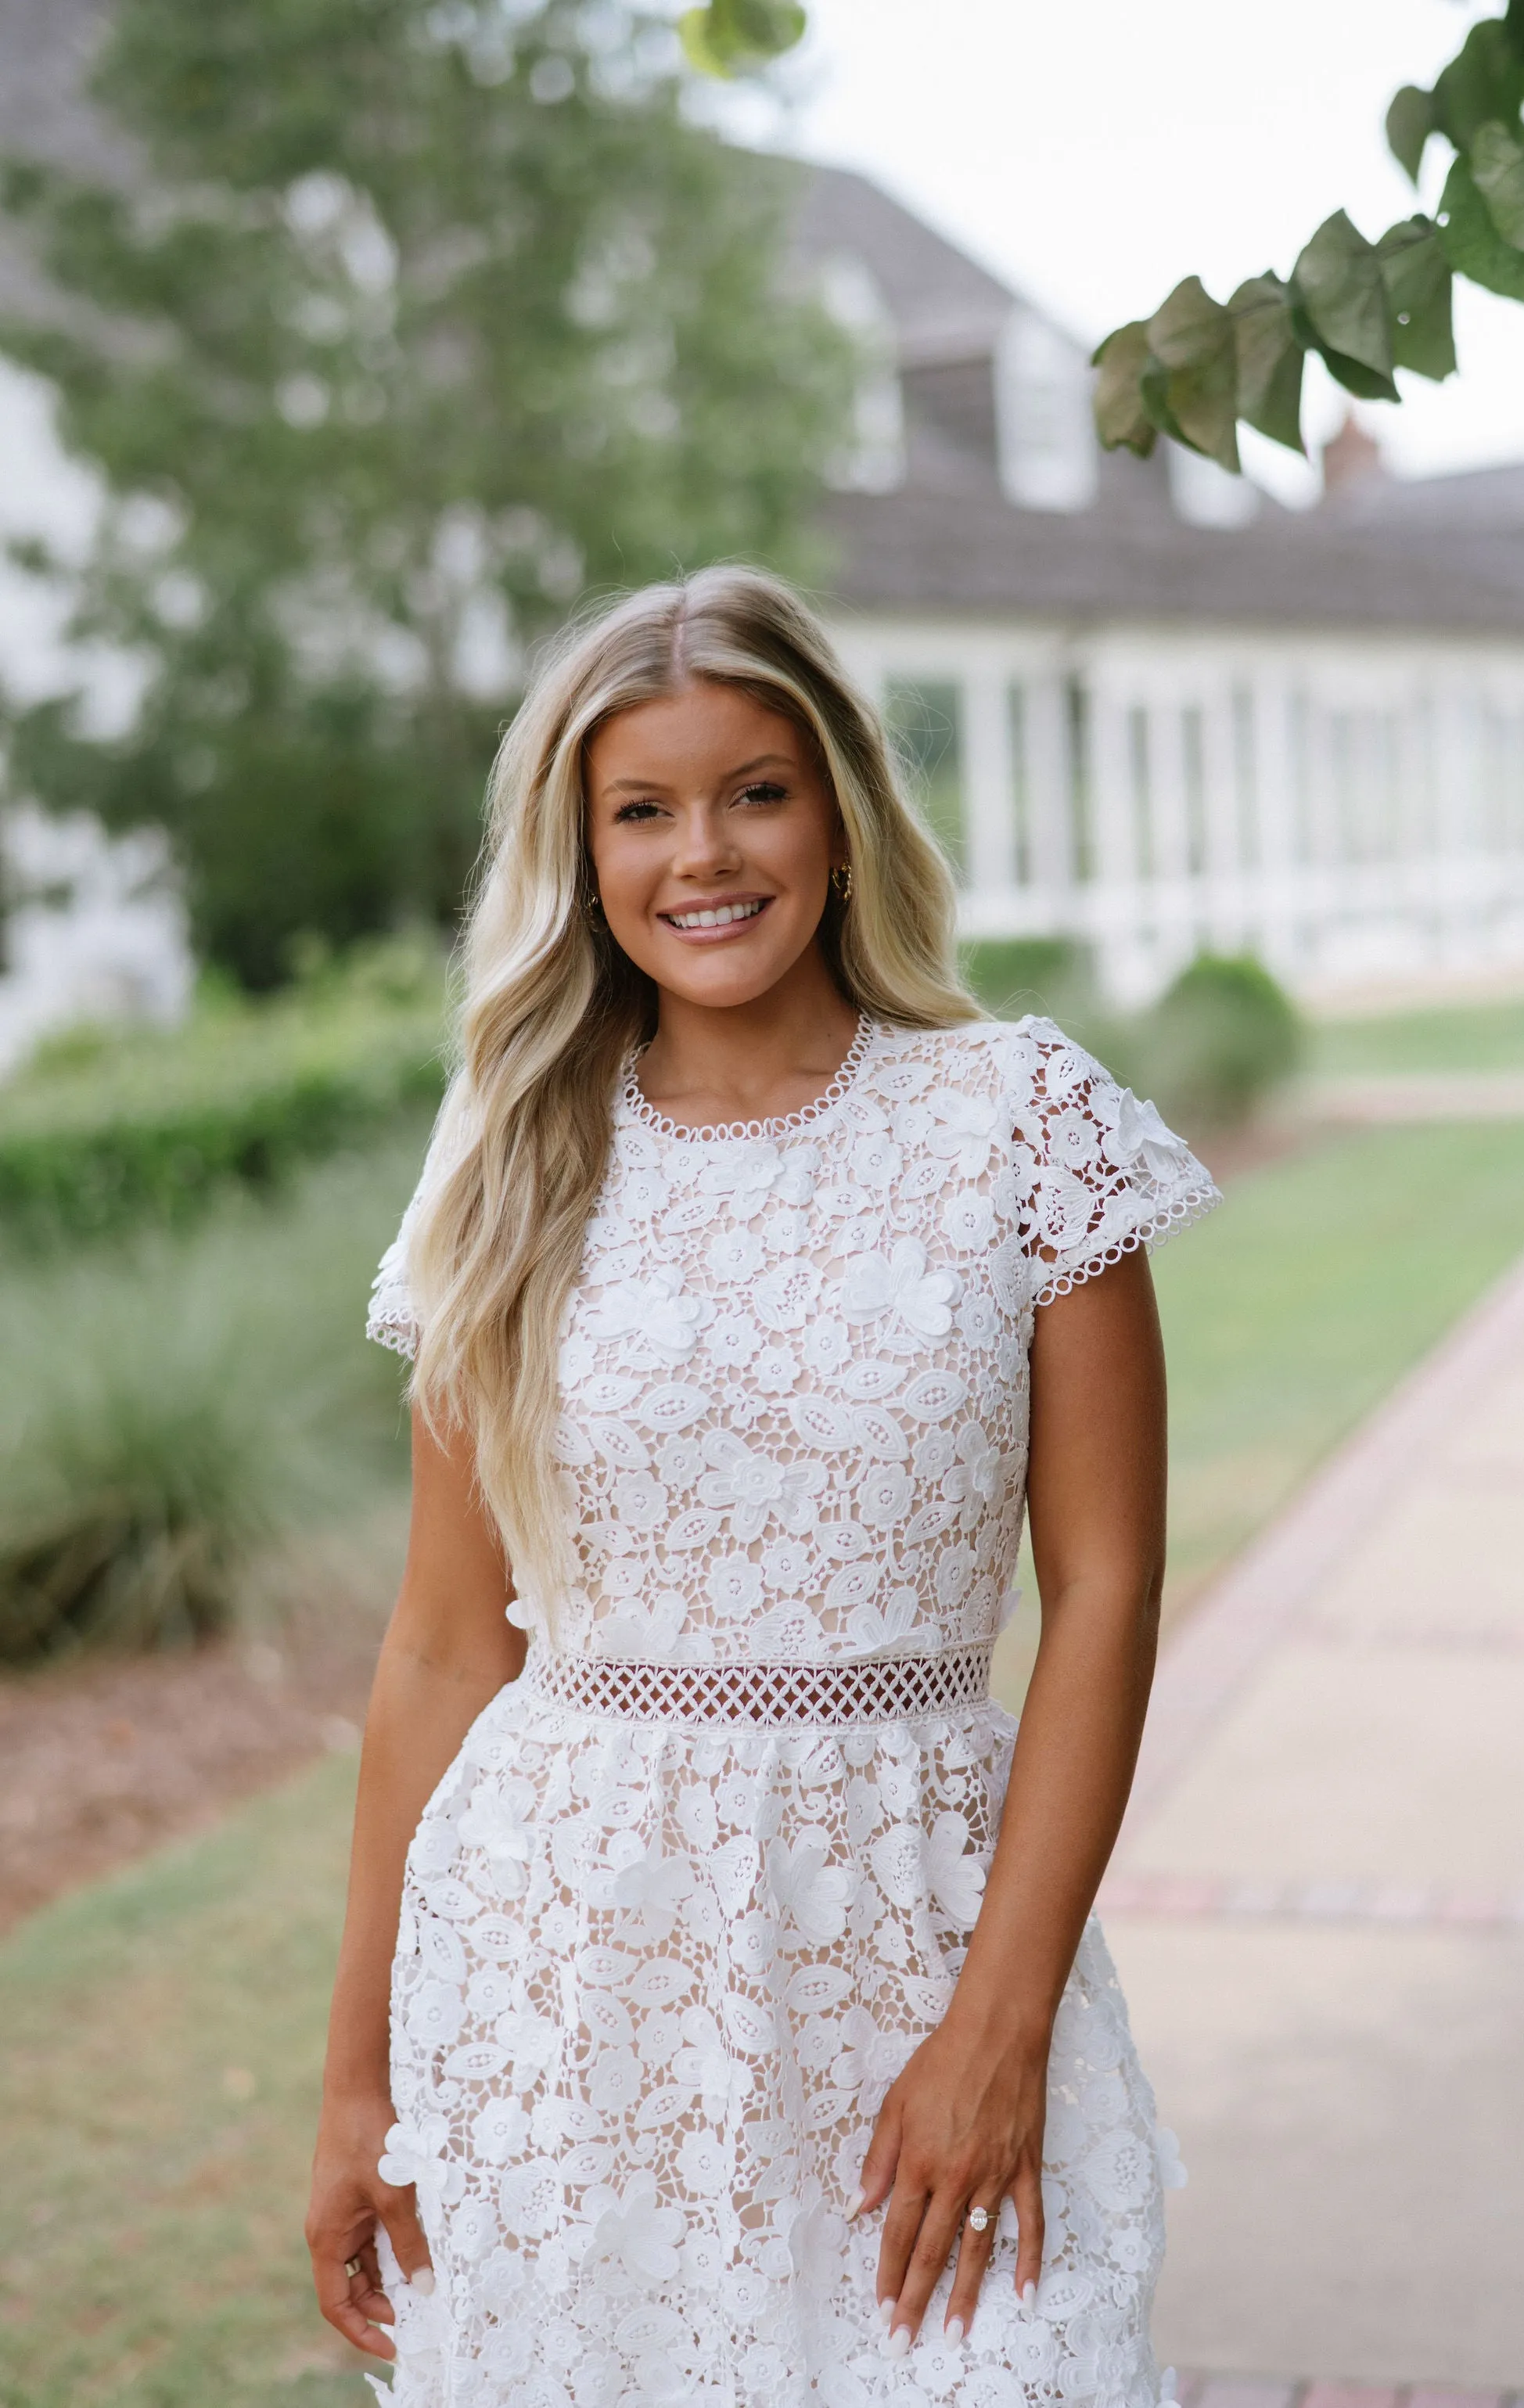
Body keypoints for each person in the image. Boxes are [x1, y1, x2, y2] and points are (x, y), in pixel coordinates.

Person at [305, 565, 1219, 2407]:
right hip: (565, 1979)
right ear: (579, 854)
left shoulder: (1016, 1122)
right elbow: (434, 1653)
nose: (700, 855)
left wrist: (1001, 2023)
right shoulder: (506, 1163)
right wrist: (358, 2077)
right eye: (639, 810)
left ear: (840, 813)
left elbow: (1105, 1595)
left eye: (755, 791)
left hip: (920, 1931)